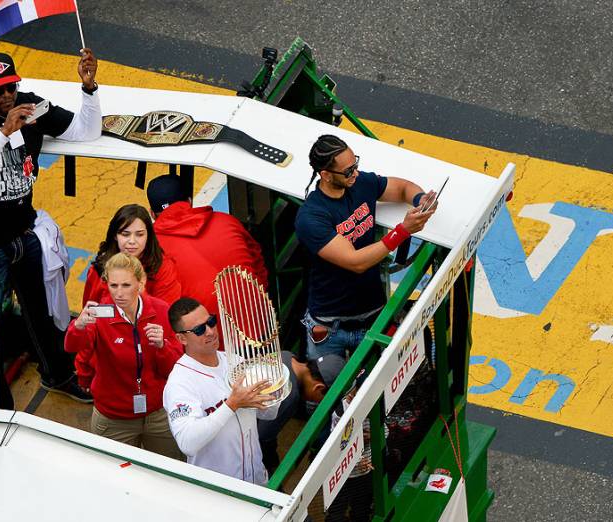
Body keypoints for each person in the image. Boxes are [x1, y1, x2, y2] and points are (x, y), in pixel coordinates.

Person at [0, 50, 101, 402]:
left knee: (42, 313)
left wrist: (89, 89)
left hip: (23, 233)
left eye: (11, 87)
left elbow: (84, 131)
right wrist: (2, 133)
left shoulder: (32, 106)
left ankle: (58, 375)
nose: (7, 96)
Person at [295, 134, 436, 360]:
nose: (356, 174)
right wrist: (403, 231)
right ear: (326, 175)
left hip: (373, 314)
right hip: (330, 327)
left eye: (355, 165)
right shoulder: (312, 217)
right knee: (325, 390)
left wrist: (421, 200)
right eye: (348, 171)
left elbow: (402, 188)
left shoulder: (359, 184)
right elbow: (356, 262)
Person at [65, 253, 183, 458]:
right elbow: (72, 346)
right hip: (114, 418)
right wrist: (79, 325)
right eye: (113, 285)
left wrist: (162, 346)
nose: (119, 293)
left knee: (171, 470)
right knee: (112, 475)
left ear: (141, 282)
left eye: (126, 285)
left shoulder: (161, 310)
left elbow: (175, 368)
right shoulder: (100, 315)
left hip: (158, 413)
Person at [162, 297, 283, 484]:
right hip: (217, 493)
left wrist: (273, 390)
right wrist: (232, 404)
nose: (210, 332)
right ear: (181, 338)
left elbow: (268, 414)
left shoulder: (234, 359)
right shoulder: (180, 382)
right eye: (199, 330)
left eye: (211, 322)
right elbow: (187, 442)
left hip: (257, 481)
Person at [147, 174, 267, 319]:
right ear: (189, 201)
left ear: (152, 214)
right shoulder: (228, 221)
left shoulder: (149, 247)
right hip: (256, 324)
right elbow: (258, 263)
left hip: (199, 335)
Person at [83, 203, 181, 306]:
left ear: (148, 236)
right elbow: (91, 312)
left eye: (139, 234)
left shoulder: (163, 268)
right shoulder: (99, 269)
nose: (132, 241)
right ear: (115, 236)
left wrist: (140, 291)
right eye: (125, 234)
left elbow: (164, 315)